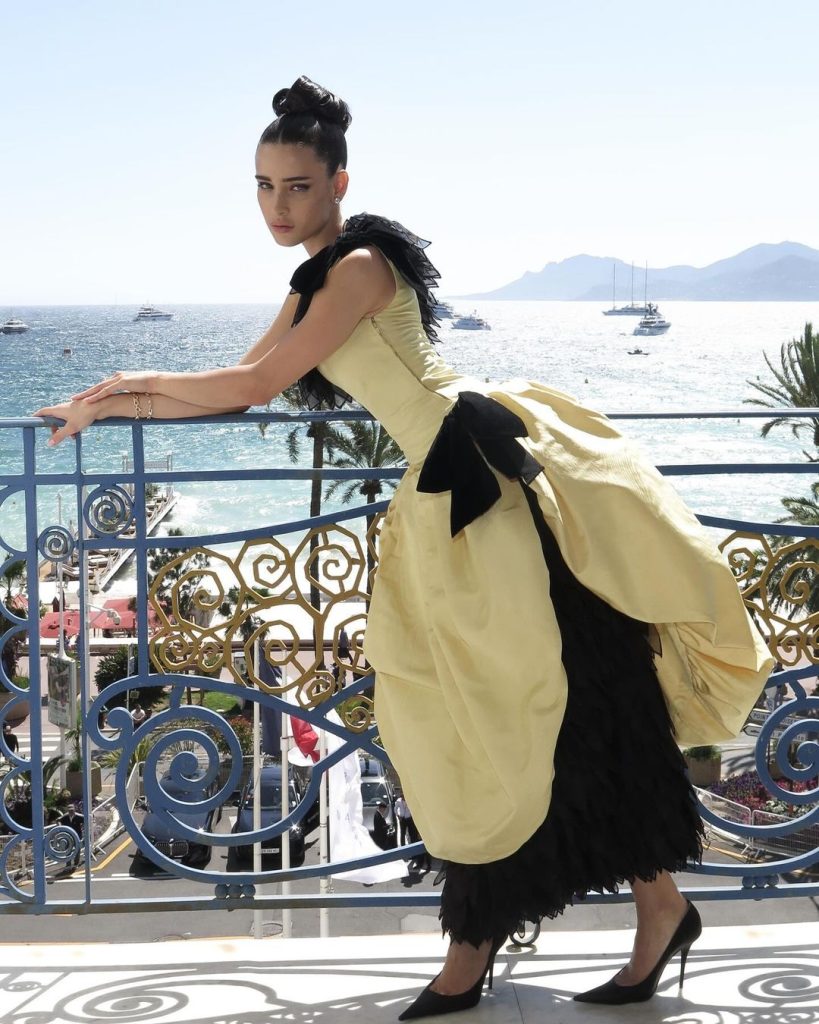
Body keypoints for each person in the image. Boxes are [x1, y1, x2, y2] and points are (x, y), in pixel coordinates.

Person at [33, 76, 773, 1016]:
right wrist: (106, 404)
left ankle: (507, 941)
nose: (277, 205)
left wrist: (130, 378)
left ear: (339, 182)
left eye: (296, 187)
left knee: (534, 698)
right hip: (453, 487)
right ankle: (644, 907)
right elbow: (244, 390)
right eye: (262, 187)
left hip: (479, 484)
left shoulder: (356, 266)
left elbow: (256, 377)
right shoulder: (318, 270)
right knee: (541, 698)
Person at [60, 803, 85, 870]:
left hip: (77, 835)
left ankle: (76, 863)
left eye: (72, 809)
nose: (71, 811)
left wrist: (84, 829)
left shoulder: (79, 816)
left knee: (77, 850)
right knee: (68, 850)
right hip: (68, 836)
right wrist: (60, 828)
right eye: (69, 809)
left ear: (74, 809)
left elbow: (86, 819)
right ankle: (68, 864)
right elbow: (58, 820)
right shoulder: (65, 817)